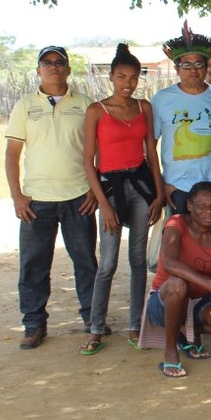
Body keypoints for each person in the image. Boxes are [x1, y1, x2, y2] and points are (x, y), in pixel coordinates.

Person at [6, 45, 99, 349]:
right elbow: (12, 153)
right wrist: (17, 196)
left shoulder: (85, 105)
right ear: (38, 70)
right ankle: (34, 324)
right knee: (33, 263)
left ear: (69, 70)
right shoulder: (25, 106)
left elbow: (101, 150)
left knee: (85, 261)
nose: (54, 67)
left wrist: (93, 190)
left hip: (78, 197)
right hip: (37, 200)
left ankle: (91, 318)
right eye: (47, 63)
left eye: (60, 63)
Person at [80, 44, 165, 355]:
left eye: (132, 78)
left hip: (140, 185)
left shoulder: (143, 107)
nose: (127, 83)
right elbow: (89, 162)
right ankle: (95, 329)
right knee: (108, 262)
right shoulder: (96, 111)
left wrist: (157, 194)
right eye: (121, 77)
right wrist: (103, 204)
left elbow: (151, 154)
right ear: (111, 77)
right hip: (112, 189)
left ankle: (135, 324)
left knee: (139, 259)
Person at [146, 182, 211, 378]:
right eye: (201, 206)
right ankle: (171, 351)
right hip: (165, 300)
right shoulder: (175, 224)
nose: (208, 211)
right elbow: (170, 263)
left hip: (198, 300)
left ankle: (187, 332)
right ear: (189, 206)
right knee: (178, 284)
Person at [151, 23, 211, 214]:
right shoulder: (161, 99)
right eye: (186, 65)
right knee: (179, 241)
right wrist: (161, 184)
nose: (193, 70)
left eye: (198, 64)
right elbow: (150, 147)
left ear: (205, 67)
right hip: (177, 189)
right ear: (177, 69)